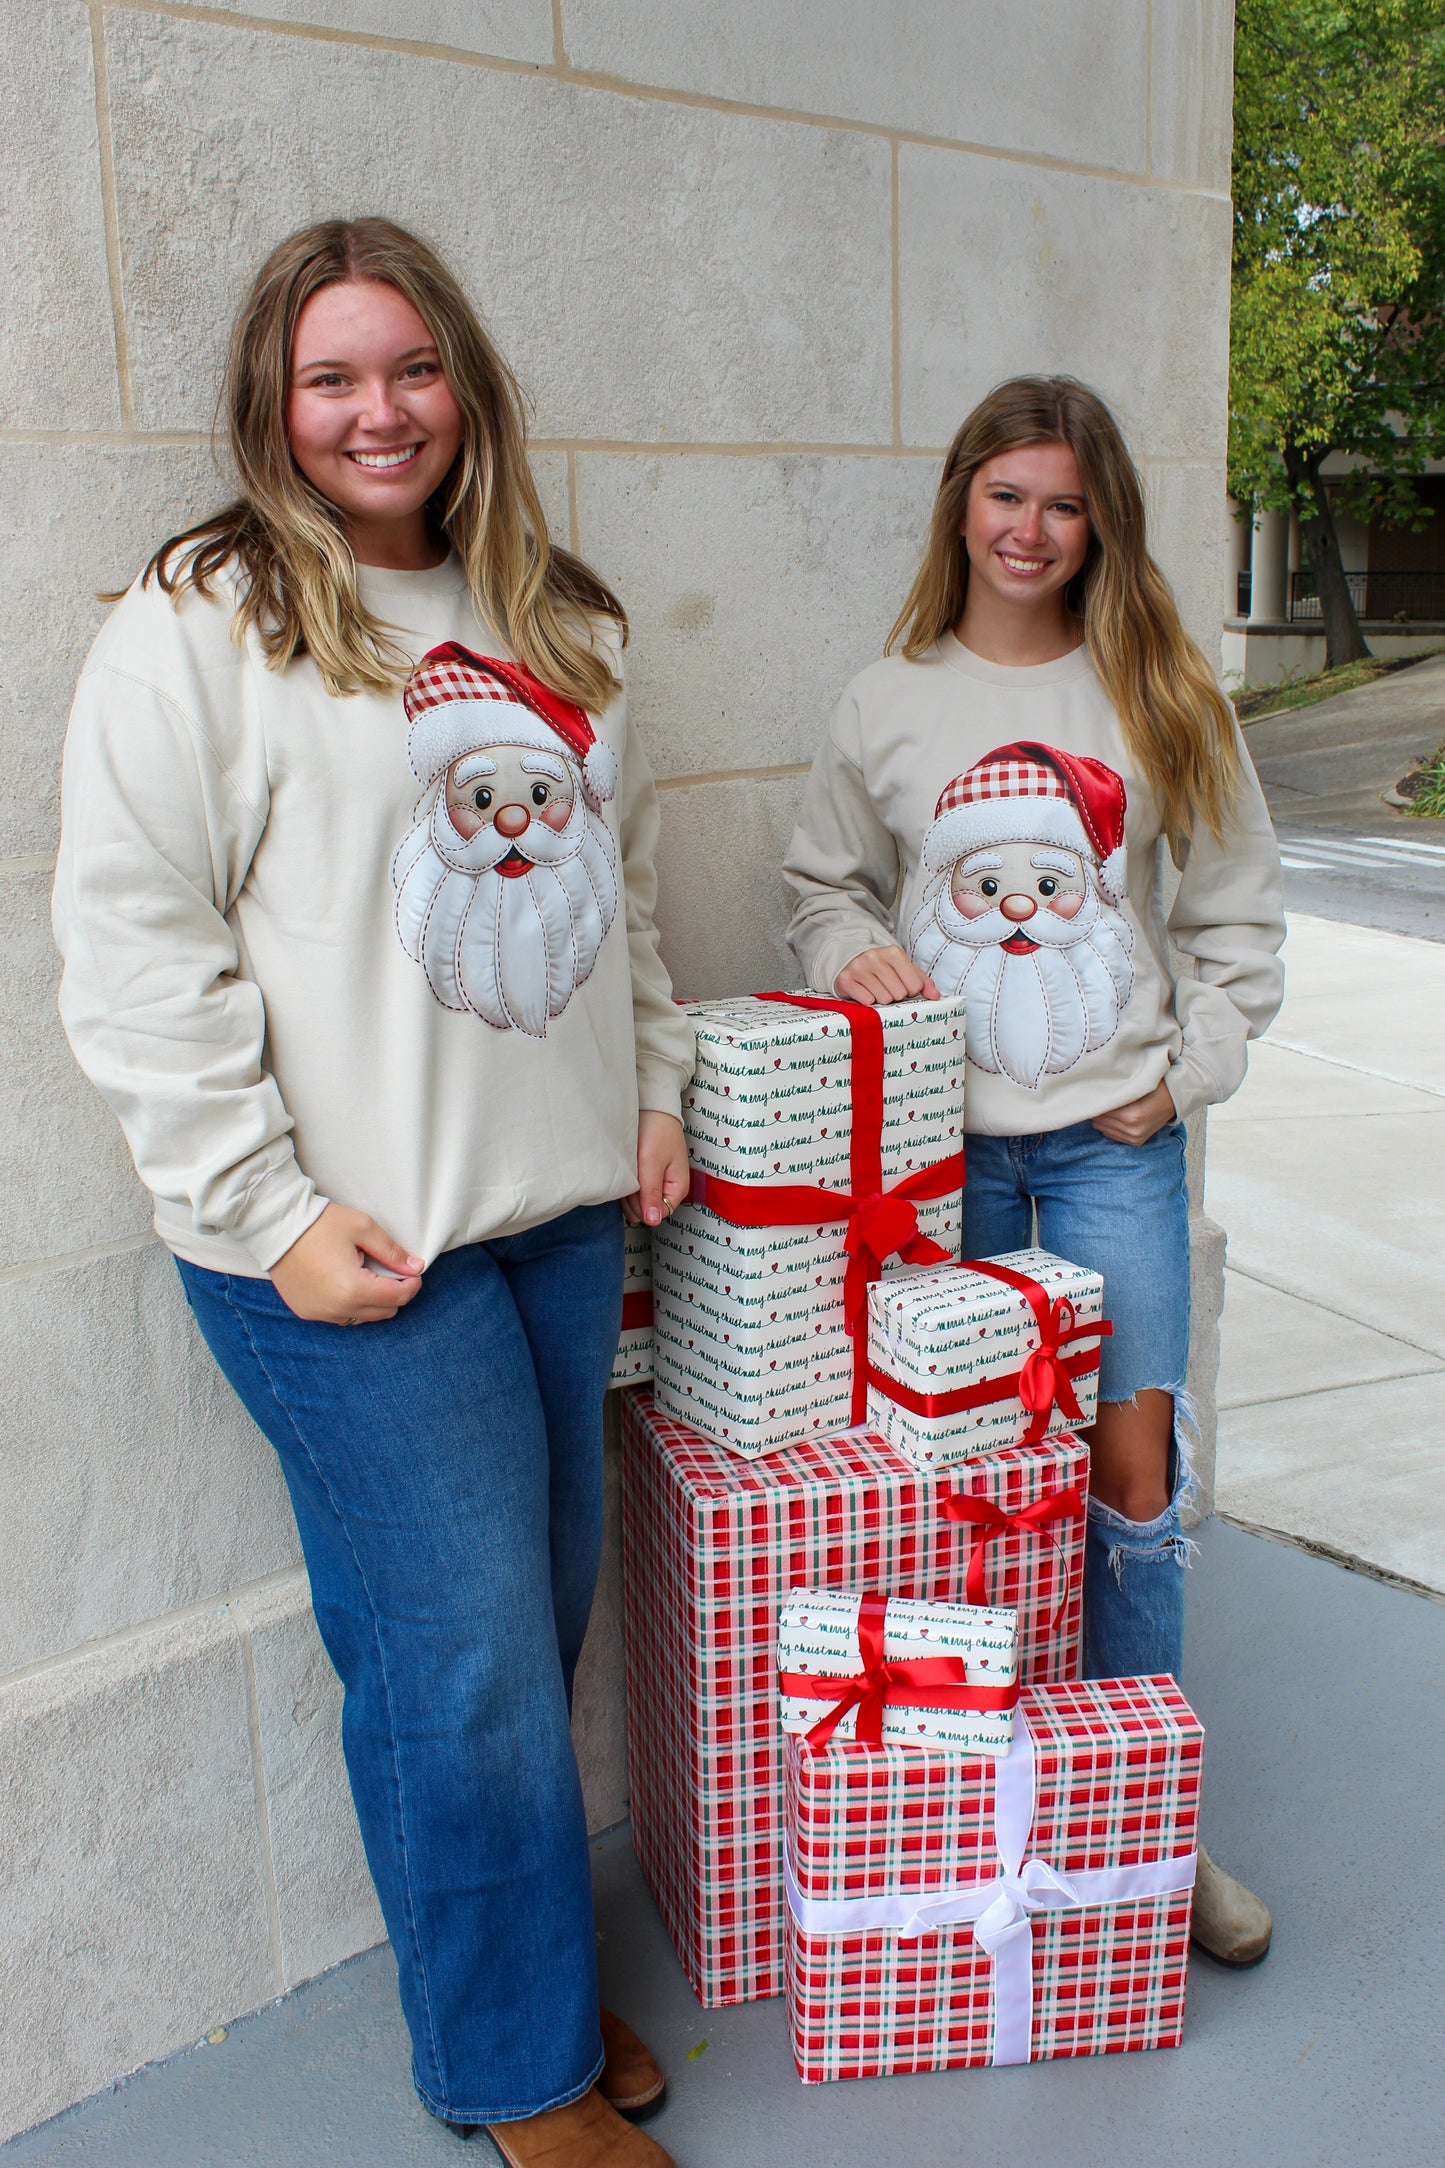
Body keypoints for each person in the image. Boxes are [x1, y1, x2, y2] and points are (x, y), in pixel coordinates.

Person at [53, 217, 691, 2166]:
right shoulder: (202, 626)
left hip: (551, 1213)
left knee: (525, 1619)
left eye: (411, 367)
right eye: (331, 375)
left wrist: (650, 1085)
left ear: (464, 384)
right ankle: (520, 2073)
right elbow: (133, 948)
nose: (377, 410)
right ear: (274, 398)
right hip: (345, 1248)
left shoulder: (554, 617)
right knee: (465, 1654)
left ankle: (515, 1984)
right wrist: (264, 1212)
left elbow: (622, 892)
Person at [784, 374, 1285, 1966]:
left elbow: (1234, 917)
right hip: (936, 1171)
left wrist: (1182, 1076)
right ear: (960, 503)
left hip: (1107, 1156)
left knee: (1130, 1486)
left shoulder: (1160, 693)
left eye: (1063, 503)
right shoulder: (885, 702)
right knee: (965, 1495)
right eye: (1005, 495)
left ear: (1099, 524)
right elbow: (819, 888)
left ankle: (1141, 1825)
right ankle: (973, 1813)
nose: (1030, 529)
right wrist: (854, 953)